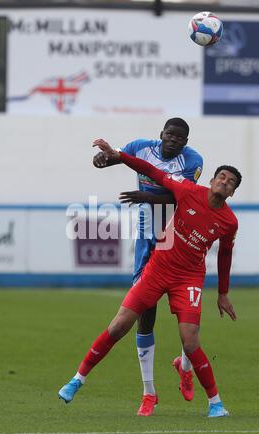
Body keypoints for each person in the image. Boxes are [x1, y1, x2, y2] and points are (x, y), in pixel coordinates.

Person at [58, 139, 241, 418]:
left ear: (232, 192)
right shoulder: (188, 191)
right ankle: (76, 380)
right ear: (213, 180)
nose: (224, 183)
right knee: (119, 326)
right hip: (158, 269)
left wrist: (223, 293)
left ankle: (215, 403)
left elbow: (225, 255)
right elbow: (151, 170)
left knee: (190, 341)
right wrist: (117, 155)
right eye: (222, 177)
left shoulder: (229, 222)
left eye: (230, 182)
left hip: (189, 278)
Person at [93, 118, 203, 416]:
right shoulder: (140, 147)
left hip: (181, 236)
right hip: (148, 235)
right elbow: (109, 158)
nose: (174, 140)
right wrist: (101, 160)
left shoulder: (193, 160)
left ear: (186, 141)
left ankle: (186, 363)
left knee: (189, 314)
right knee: (145, 310)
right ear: (161, 135)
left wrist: (145, 196)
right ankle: (149, 392)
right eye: (170, 135)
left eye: (180, 137)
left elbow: (183, 196)